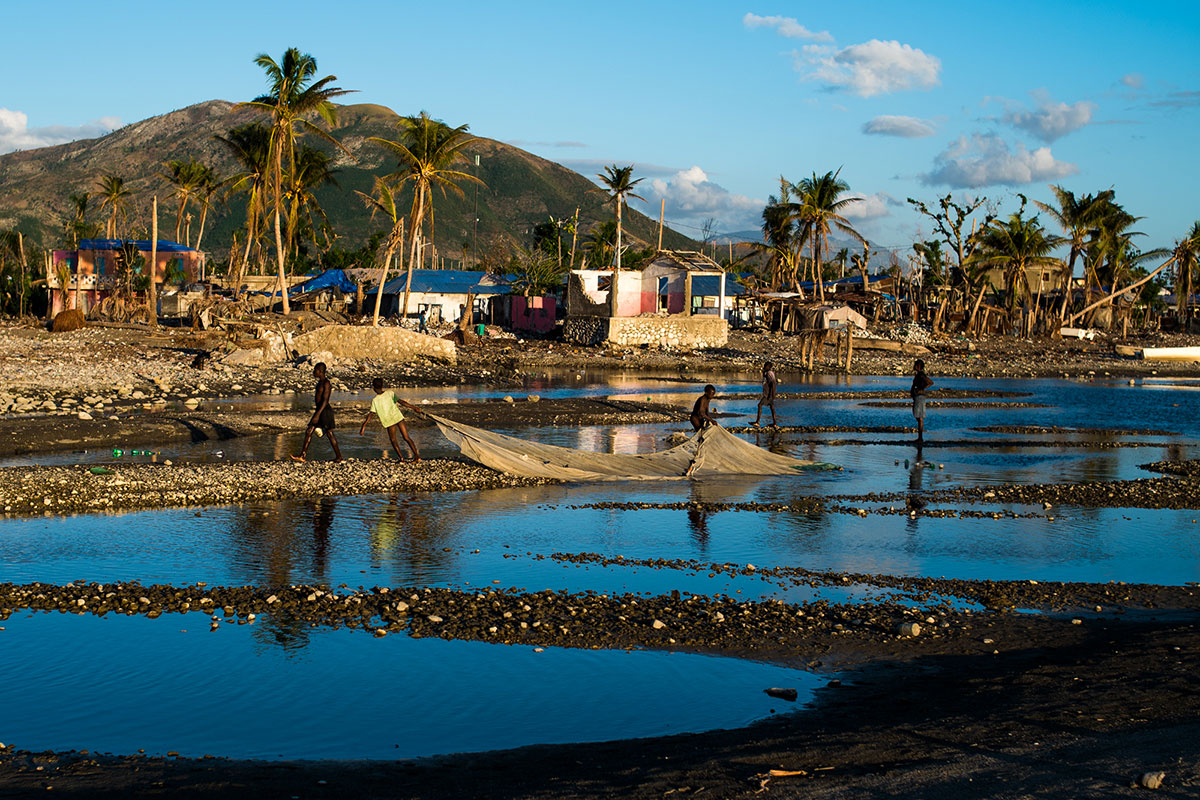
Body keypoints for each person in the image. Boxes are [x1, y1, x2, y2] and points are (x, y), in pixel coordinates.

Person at [360, 378, 421, 462]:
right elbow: (402, 402)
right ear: (382, 386)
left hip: (389, 421)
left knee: (393, 440)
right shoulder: (390, 393)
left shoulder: (375, 400)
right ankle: (417, 457)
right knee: (406, 437)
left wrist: (364, 425)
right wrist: (414, 408)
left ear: (373, 388)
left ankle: (401, 459)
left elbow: (371, 414)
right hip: (398, 417)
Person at [292, 362, 342, 463]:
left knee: (329, 433)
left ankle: (339, 457)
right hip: (319, 410)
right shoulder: (319, 383)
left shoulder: (326, 383)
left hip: (324, 411)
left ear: (320, 371)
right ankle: (303, 455)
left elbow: (325, 401)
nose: (313, 372)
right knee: (309, 430)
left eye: (315, 370)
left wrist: (317, 415)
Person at [911, 359, 934, 444]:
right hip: (918, 396)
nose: (914, 367)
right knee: (917, 415)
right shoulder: (919, 375)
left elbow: (930, 382)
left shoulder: (921, 375)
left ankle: (920, 438)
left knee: (919, 417)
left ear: (918, 366)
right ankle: (920, 437)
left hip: (920, 397)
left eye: (915, 365)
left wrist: (922, 389)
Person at [750, 361, 777, 428]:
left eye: (765, 366)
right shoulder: (767, 373)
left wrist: (772, 395)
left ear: (768, 367)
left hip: (768, 394)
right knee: (772, 408)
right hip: (769, 393)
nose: (764, 367)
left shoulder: (769, 374)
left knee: (759, 405)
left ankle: (757, 422)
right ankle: (775, 423)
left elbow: (773, 384)